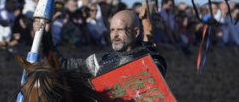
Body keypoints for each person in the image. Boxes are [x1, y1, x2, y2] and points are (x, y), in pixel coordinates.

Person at [34, 10, 167, 78]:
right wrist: (45, 37)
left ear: (136, 32)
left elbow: (154, 76)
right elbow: (61, 65)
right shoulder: (102, 62)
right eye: (112, 30)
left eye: (120, 30)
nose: (114, 35)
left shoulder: (151, 59)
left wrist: (147, 48)